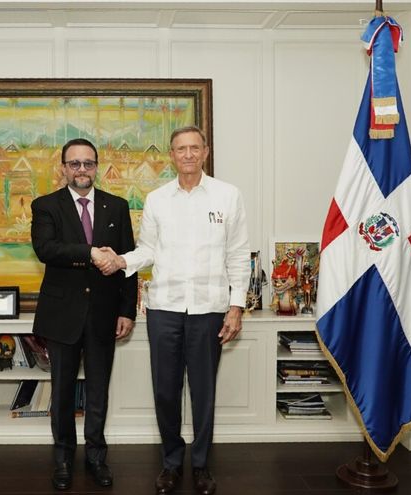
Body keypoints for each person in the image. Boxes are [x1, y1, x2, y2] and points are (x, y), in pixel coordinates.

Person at [95, 126, 250, 495]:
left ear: (206, 152)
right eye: (181, 149)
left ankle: (201, 465)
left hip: (209, 309)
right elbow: (148, 249)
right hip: (164, 308)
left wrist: (237, 306)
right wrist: (122, 260)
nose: (188, 154)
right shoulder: (157, 199)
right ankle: (171, 463)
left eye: (195, 148)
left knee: (203, 392)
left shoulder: (228, 196)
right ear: (172, 155)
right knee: (165, 391)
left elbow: (238, 254)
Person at [30, 138, 138, 491]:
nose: (81, 170)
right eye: (74, 163)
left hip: (104, 315)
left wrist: (127, 310)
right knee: (62, 392)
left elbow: (128, 261)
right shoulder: (46, 205)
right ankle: (63, 458)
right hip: (62, 315)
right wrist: (91, 253)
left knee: (98, 391)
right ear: (63, 167)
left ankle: (96, 457)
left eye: (88, 163)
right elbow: (47, 249)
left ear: (96, 167)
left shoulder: (116, 206)